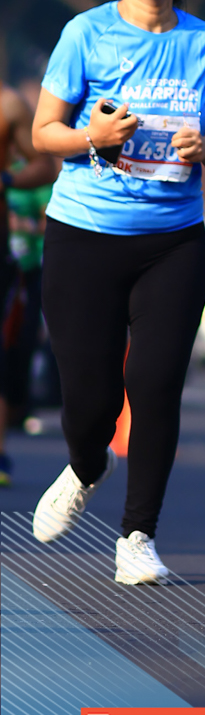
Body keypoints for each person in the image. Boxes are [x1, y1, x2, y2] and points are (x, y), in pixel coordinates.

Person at [29, 0, 205, 583]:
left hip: (172, 242)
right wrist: (94, 136)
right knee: (90, 398)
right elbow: (43, 133)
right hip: (83, 237)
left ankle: (138, 535)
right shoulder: (85, 35)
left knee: (154, 385)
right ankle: (86, 464)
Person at [0, 85, 57, 484]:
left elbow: (44, 165)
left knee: (6, 353)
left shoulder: (8, 105)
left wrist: (6, 178)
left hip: (11, 259)